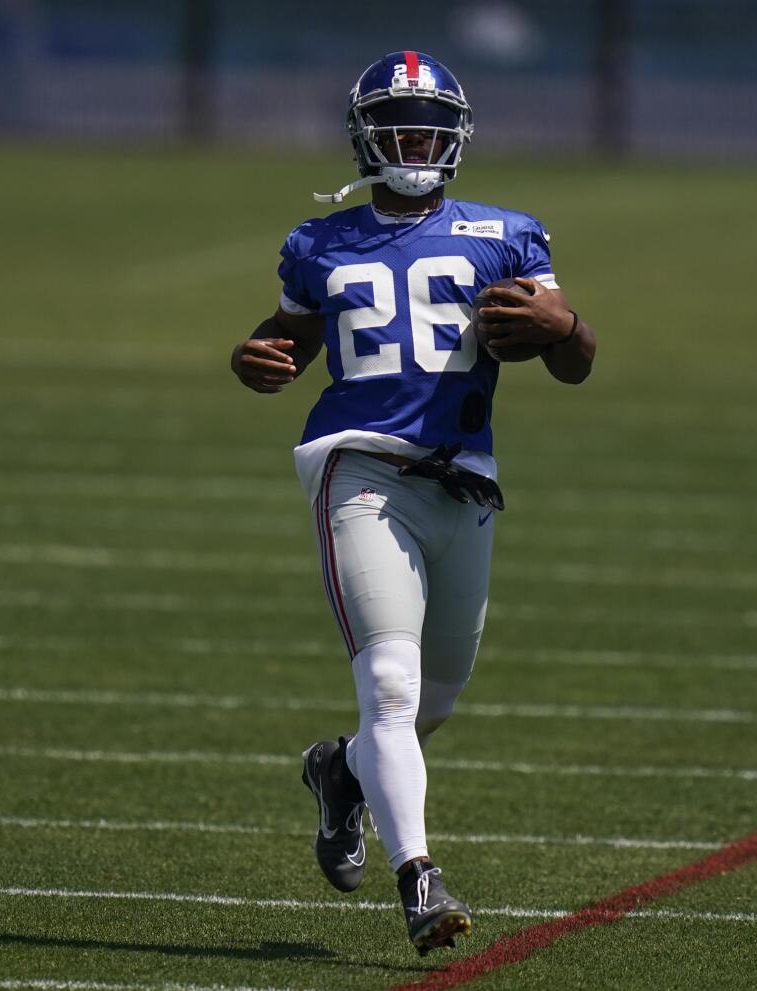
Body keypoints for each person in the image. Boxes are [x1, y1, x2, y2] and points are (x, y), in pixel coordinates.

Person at [229, 50, 596, 956]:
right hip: (357, 468)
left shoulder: (508, 234)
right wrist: (255, 357)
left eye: (429, 123)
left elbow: (573, 360)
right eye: (397, 122)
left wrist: (568, 328)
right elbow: (289, 338)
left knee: (431, 701)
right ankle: (420, 876)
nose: (414, 138)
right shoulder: (317, 244)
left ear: (457, 135)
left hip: (462, 478)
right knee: (389, 685)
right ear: (364, 136)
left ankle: (340, 770)